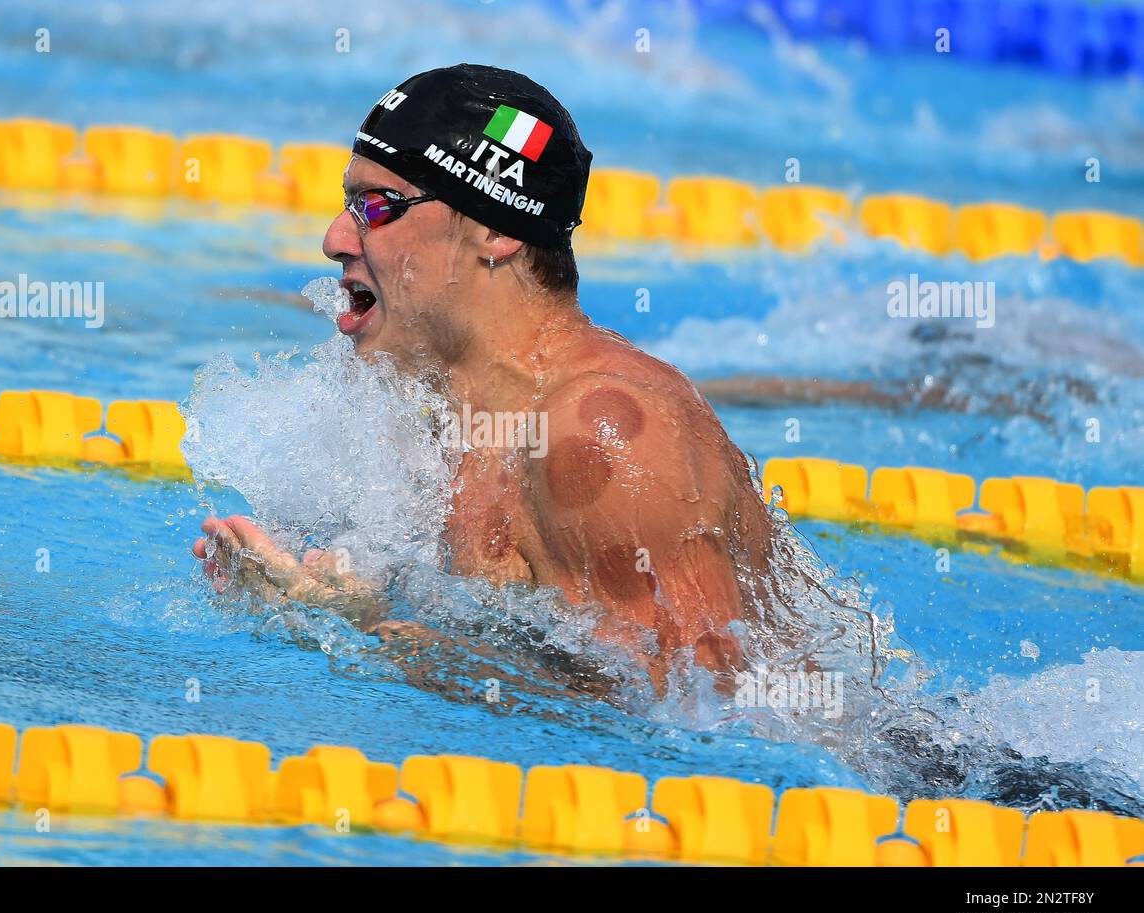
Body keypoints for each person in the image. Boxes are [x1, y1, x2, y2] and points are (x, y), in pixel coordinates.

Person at [192, 64, 774, 679]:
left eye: (377, 207)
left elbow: (700, 717)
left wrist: (361, 626)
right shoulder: (439, 416)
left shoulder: (609, 436)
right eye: (347, 205)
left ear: (493, 230)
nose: (335, 239)